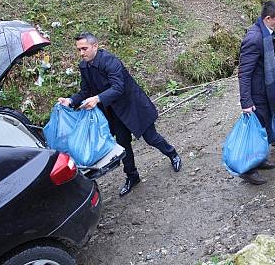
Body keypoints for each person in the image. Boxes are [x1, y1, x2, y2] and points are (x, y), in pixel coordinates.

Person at [58, 32, 182, 197]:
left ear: (95, 46)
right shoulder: (84, 66)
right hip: (114, 112)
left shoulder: (110, 61)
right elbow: (85, 90)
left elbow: (118, 87)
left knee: (151, 137)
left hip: (134, 106)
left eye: (84, 48)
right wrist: (70, 101)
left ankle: (172, 154)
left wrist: (97, 98)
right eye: (79, 49)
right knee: (123, 145)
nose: (81, 53)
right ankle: (132, 176)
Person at [238, 0, 275, 185]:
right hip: (257, 96)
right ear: (268, 18)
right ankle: (248, 170)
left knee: (266, 129)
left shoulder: (269, 33)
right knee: (257, 133)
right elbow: (244, 73)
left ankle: (261, 160)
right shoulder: (254, 39)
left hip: (269, 92)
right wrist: (246, 102)